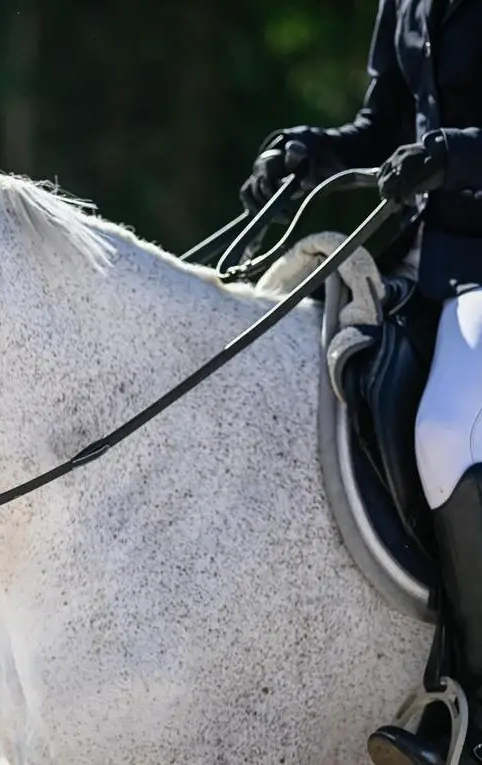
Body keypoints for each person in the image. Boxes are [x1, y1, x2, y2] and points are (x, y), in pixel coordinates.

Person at [240, 1, 482, 762]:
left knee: (445, 432)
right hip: (417, 265)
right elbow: (384, 125)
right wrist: (314, 150)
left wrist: (454, 156)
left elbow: (439, 144)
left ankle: (474, 711)